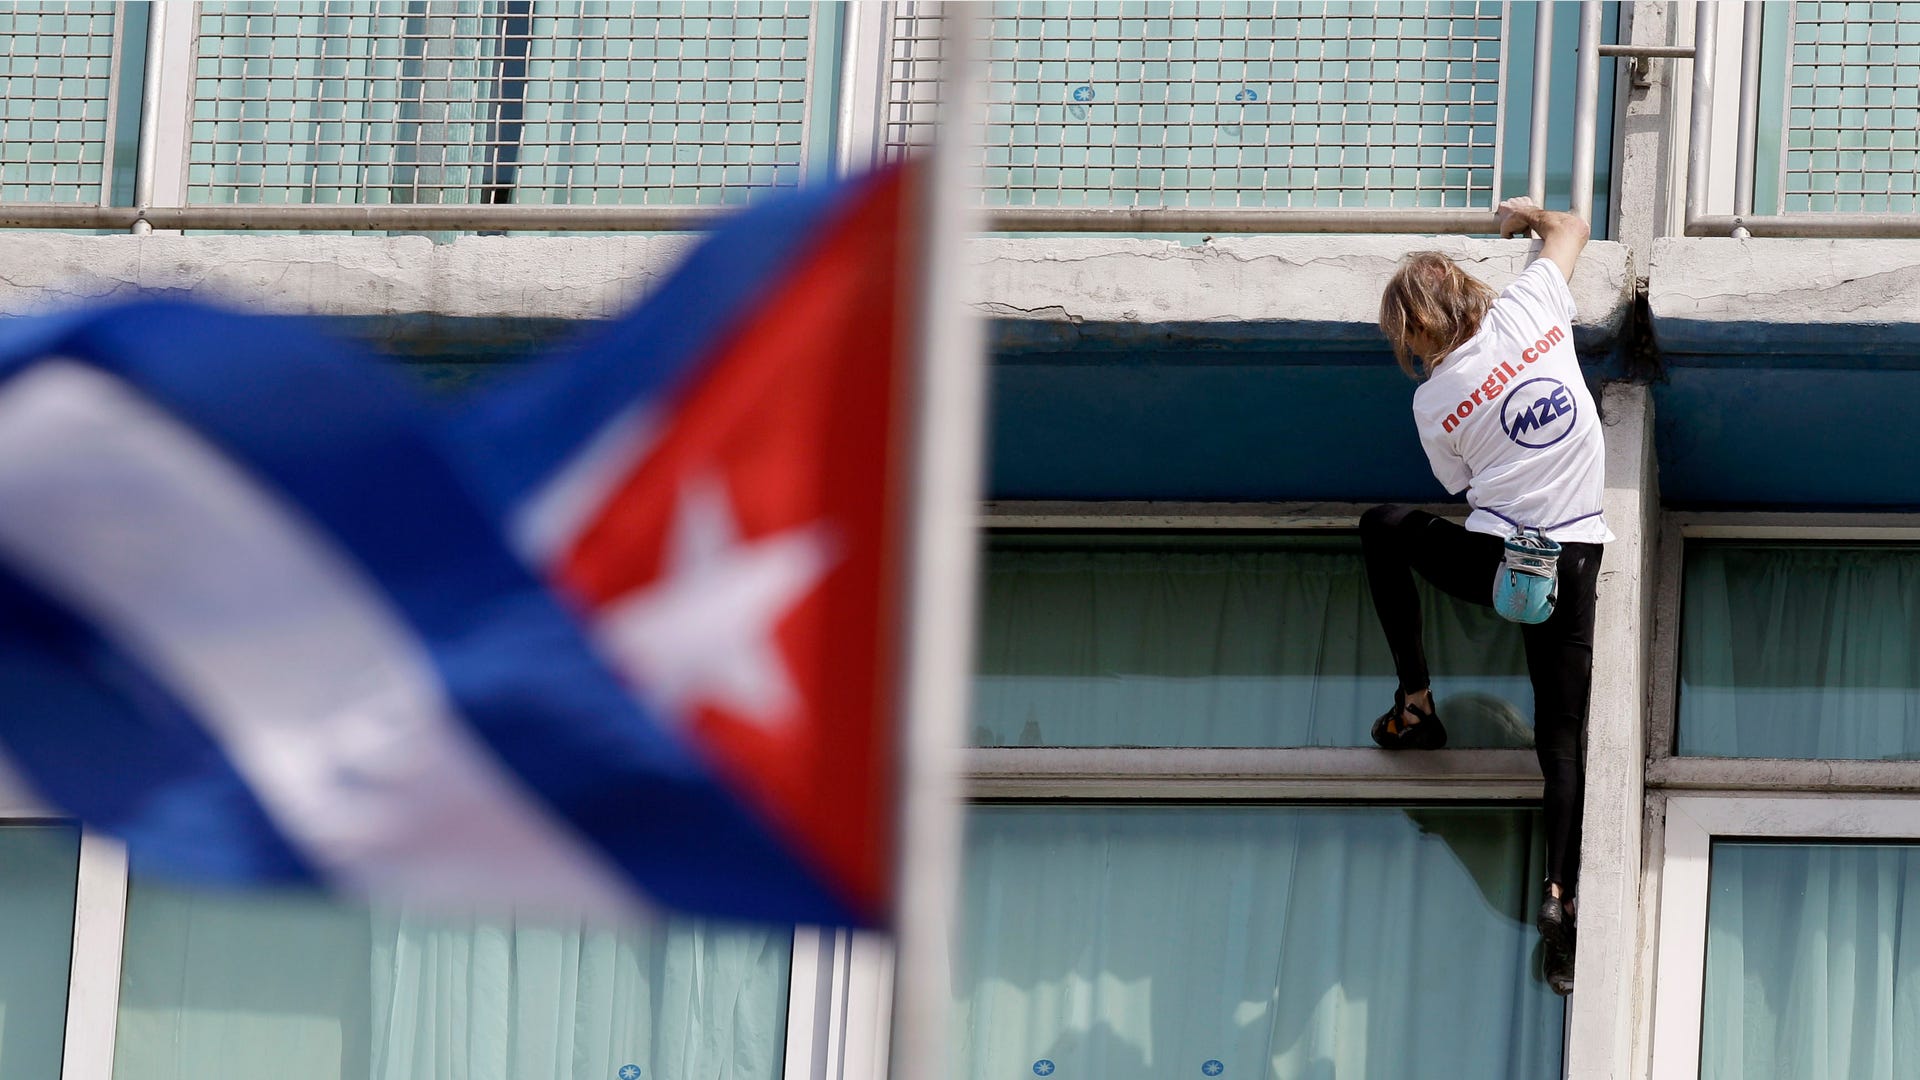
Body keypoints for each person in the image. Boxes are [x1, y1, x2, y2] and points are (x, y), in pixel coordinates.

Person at [1362, 195, 1611, 996]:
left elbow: (1457, 481)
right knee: (1561, 737)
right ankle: (1560, 909)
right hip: (1572, 560)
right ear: (1469, 294)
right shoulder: (1534, 306)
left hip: (1498, 561)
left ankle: (1416, 701)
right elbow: (1571, 228)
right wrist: (1527, 217)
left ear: (1415, 332)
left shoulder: (1433, 400)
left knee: (1384, 525)